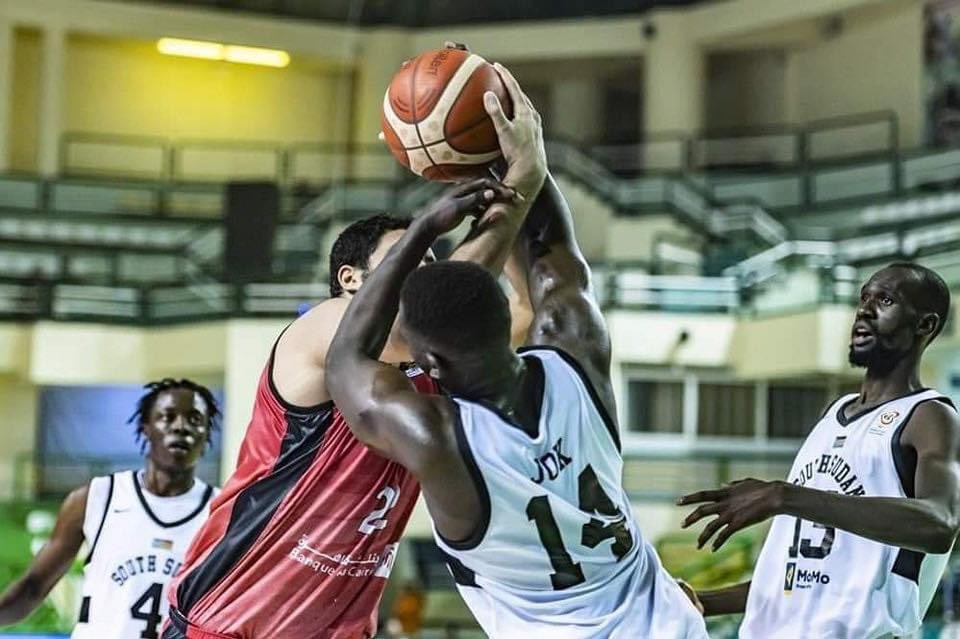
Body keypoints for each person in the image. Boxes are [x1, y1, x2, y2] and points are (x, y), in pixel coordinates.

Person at [162, 57, 545, 639]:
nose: (426, 274)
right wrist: (515, 185)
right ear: (349, 279)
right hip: (231, 621)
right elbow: (409, 320)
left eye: (430, 265)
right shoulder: (316, 334)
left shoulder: (429, 361)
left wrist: (506, 171)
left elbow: (519, 311)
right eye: (407, 262)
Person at [325, 64, 708, 639]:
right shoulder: (576, 352)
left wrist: (424, 231)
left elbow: (346, 359)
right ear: (509, 313)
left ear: (427, 365)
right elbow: (555, 257)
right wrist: (525, 159)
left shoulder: (440, 439)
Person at [679, 263, 960, 638]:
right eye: (863, 298)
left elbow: (940, 524)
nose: (864, 309)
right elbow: (797, 581)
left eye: (886, 300)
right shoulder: (832, 416)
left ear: (925, 325)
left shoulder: (929, 415)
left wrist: (783, 495)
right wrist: (702, 602)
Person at [0, 378, 220, 639]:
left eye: (195, 419)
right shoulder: (97, 497)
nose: (181, 427)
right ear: (146, 428)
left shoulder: (220, 512)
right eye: (167, 417)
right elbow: (32, 588)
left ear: (207, 434)